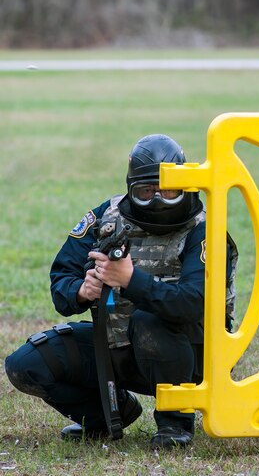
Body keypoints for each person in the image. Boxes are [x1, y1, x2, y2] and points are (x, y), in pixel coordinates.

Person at [4, 134, 237, 449]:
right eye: (146, 190)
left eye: (169, 190)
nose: (158, 199)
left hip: (193, 355)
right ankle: (105, 414)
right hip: (114, 343)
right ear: (131, 189)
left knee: (149, 321)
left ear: (186, 185)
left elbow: (194, 304)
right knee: (26, 364)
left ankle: (175, 423)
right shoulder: (107, 217)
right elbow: (61, 277)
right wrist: (82, 290)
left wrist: (130, 279)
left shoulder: (204, 229)